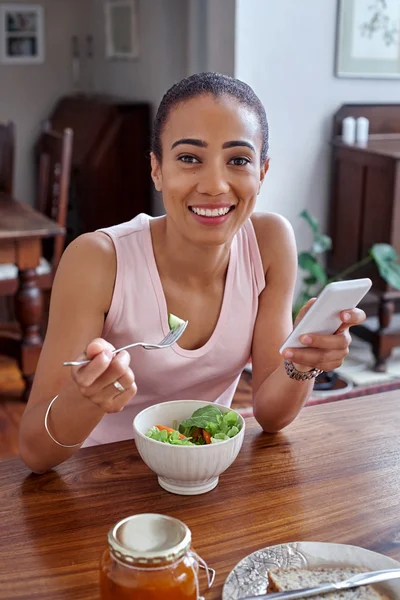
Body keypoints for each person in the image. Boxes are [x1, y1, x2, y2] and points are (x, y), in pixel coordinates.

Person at [18, 72, 365, 473]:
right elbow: (34, 451)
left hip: (206, 472)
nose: (216, 185)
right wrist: (85, 399)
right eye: (188, 158)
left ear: (262, 173)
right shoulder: (98, 259)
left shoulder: (269, 243)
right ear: (157, 169)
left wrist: (302, 362)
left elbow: (270, 416)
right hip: (103, 479)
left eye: (238, 160)